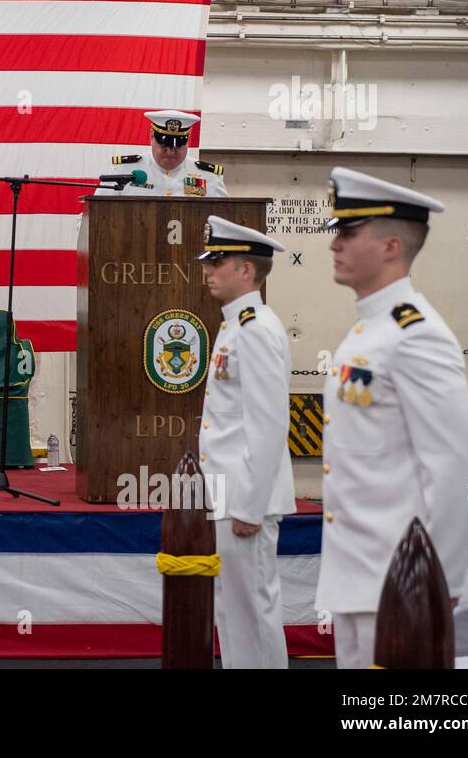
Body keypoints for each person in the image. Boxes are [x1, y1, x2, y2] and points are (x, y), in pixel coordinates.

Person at [316, 167, 468, 668]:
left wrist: (440, 584)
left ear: (391, 246)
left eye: (348, 232)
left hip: (404, 587)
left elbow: (459, 467)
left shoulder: (416, 334)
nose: (334, 244)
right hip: (362, 578)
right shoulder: (369, 329)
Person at [195, 215, 296, 668]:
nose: (207, 269)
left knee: (252, 612)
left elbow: (269, 422)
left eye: (218, 260)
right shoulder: (236, 324)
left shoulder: (255, 328)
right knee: (234, 610)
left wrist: (250, 507)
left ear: (247, 270)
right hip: (230, 493)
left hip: (244, 499)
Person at [109, 110, 228, 197]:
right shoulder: (124, 170)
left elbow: (223, 218)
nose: (170, 151)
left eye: (178, 145)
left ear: (187, 141)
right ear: (151, 137)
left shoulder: (209, 176)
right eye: (164, 144)